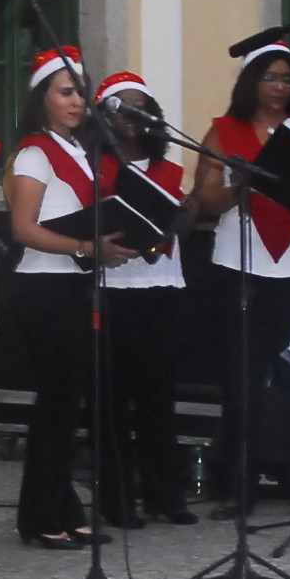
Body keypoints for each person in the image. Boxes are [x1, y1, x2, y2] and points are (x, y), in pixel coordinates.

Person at [197, 43, 290, 512]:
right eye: (271, 78)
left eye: (287, 80)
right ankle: (239, 487)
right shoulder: (223, 132)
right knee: (243, 385)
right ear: (250, 82)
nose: (280, 88)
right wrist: (242, 185)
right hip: (243, 269)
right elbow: (205, 201)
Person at [5, 49, 131, 547]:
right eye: (65, 91)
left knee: (67, 403)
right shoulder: (35, 153)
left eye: (81, 90)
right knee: (55, 402)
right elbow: (22, 228)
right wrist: (86, 246)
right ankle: (40, 514)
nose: (79, 100)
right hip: (42, 285)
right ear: (42, 98)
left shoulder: (80, 150)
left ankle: (58, 504)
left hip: (74, 282)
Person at [89, 72, 197, 527]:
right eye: (122, 107)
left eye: (140, 107)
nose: (133, 117)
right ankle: (116, 499)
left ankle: (164, 494)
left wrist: (184, 215)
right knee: (112, 400)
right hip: (112, 288)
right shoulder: (93, 168)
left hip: (160, 287)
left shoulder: (168, 170)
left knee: (157, 398)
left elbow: (181, 227)